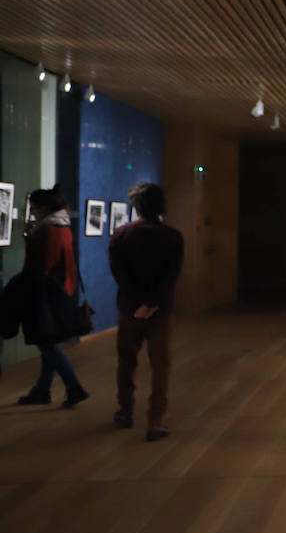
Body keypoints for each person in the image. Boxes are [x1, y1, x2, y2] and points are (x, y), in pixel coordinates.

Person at [108, 182, 184, 442]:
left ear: (136, 206)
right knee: (161, 366)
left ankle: (125, 411)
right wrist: (151, 303)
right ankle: (155, 420)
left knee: (126, 362)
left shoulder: (121, 234)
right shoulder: (172, 236)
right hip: (161, 310)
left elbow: (119, 274)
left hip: (129, 309)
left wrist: (138, 302)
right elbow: (171, 276)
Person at [16, 185, 91, 408]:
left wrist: (30, 237)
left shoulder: (46, 230)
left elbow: (40, 265)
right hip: (61, 290)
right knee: (48, 341)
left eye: (34, 208)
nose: (32, 213)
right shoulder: (62, 226)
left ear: (43, 208)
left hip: (46, 293)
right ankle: (42, 390)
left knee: (45, 343)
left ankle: (74, 387)